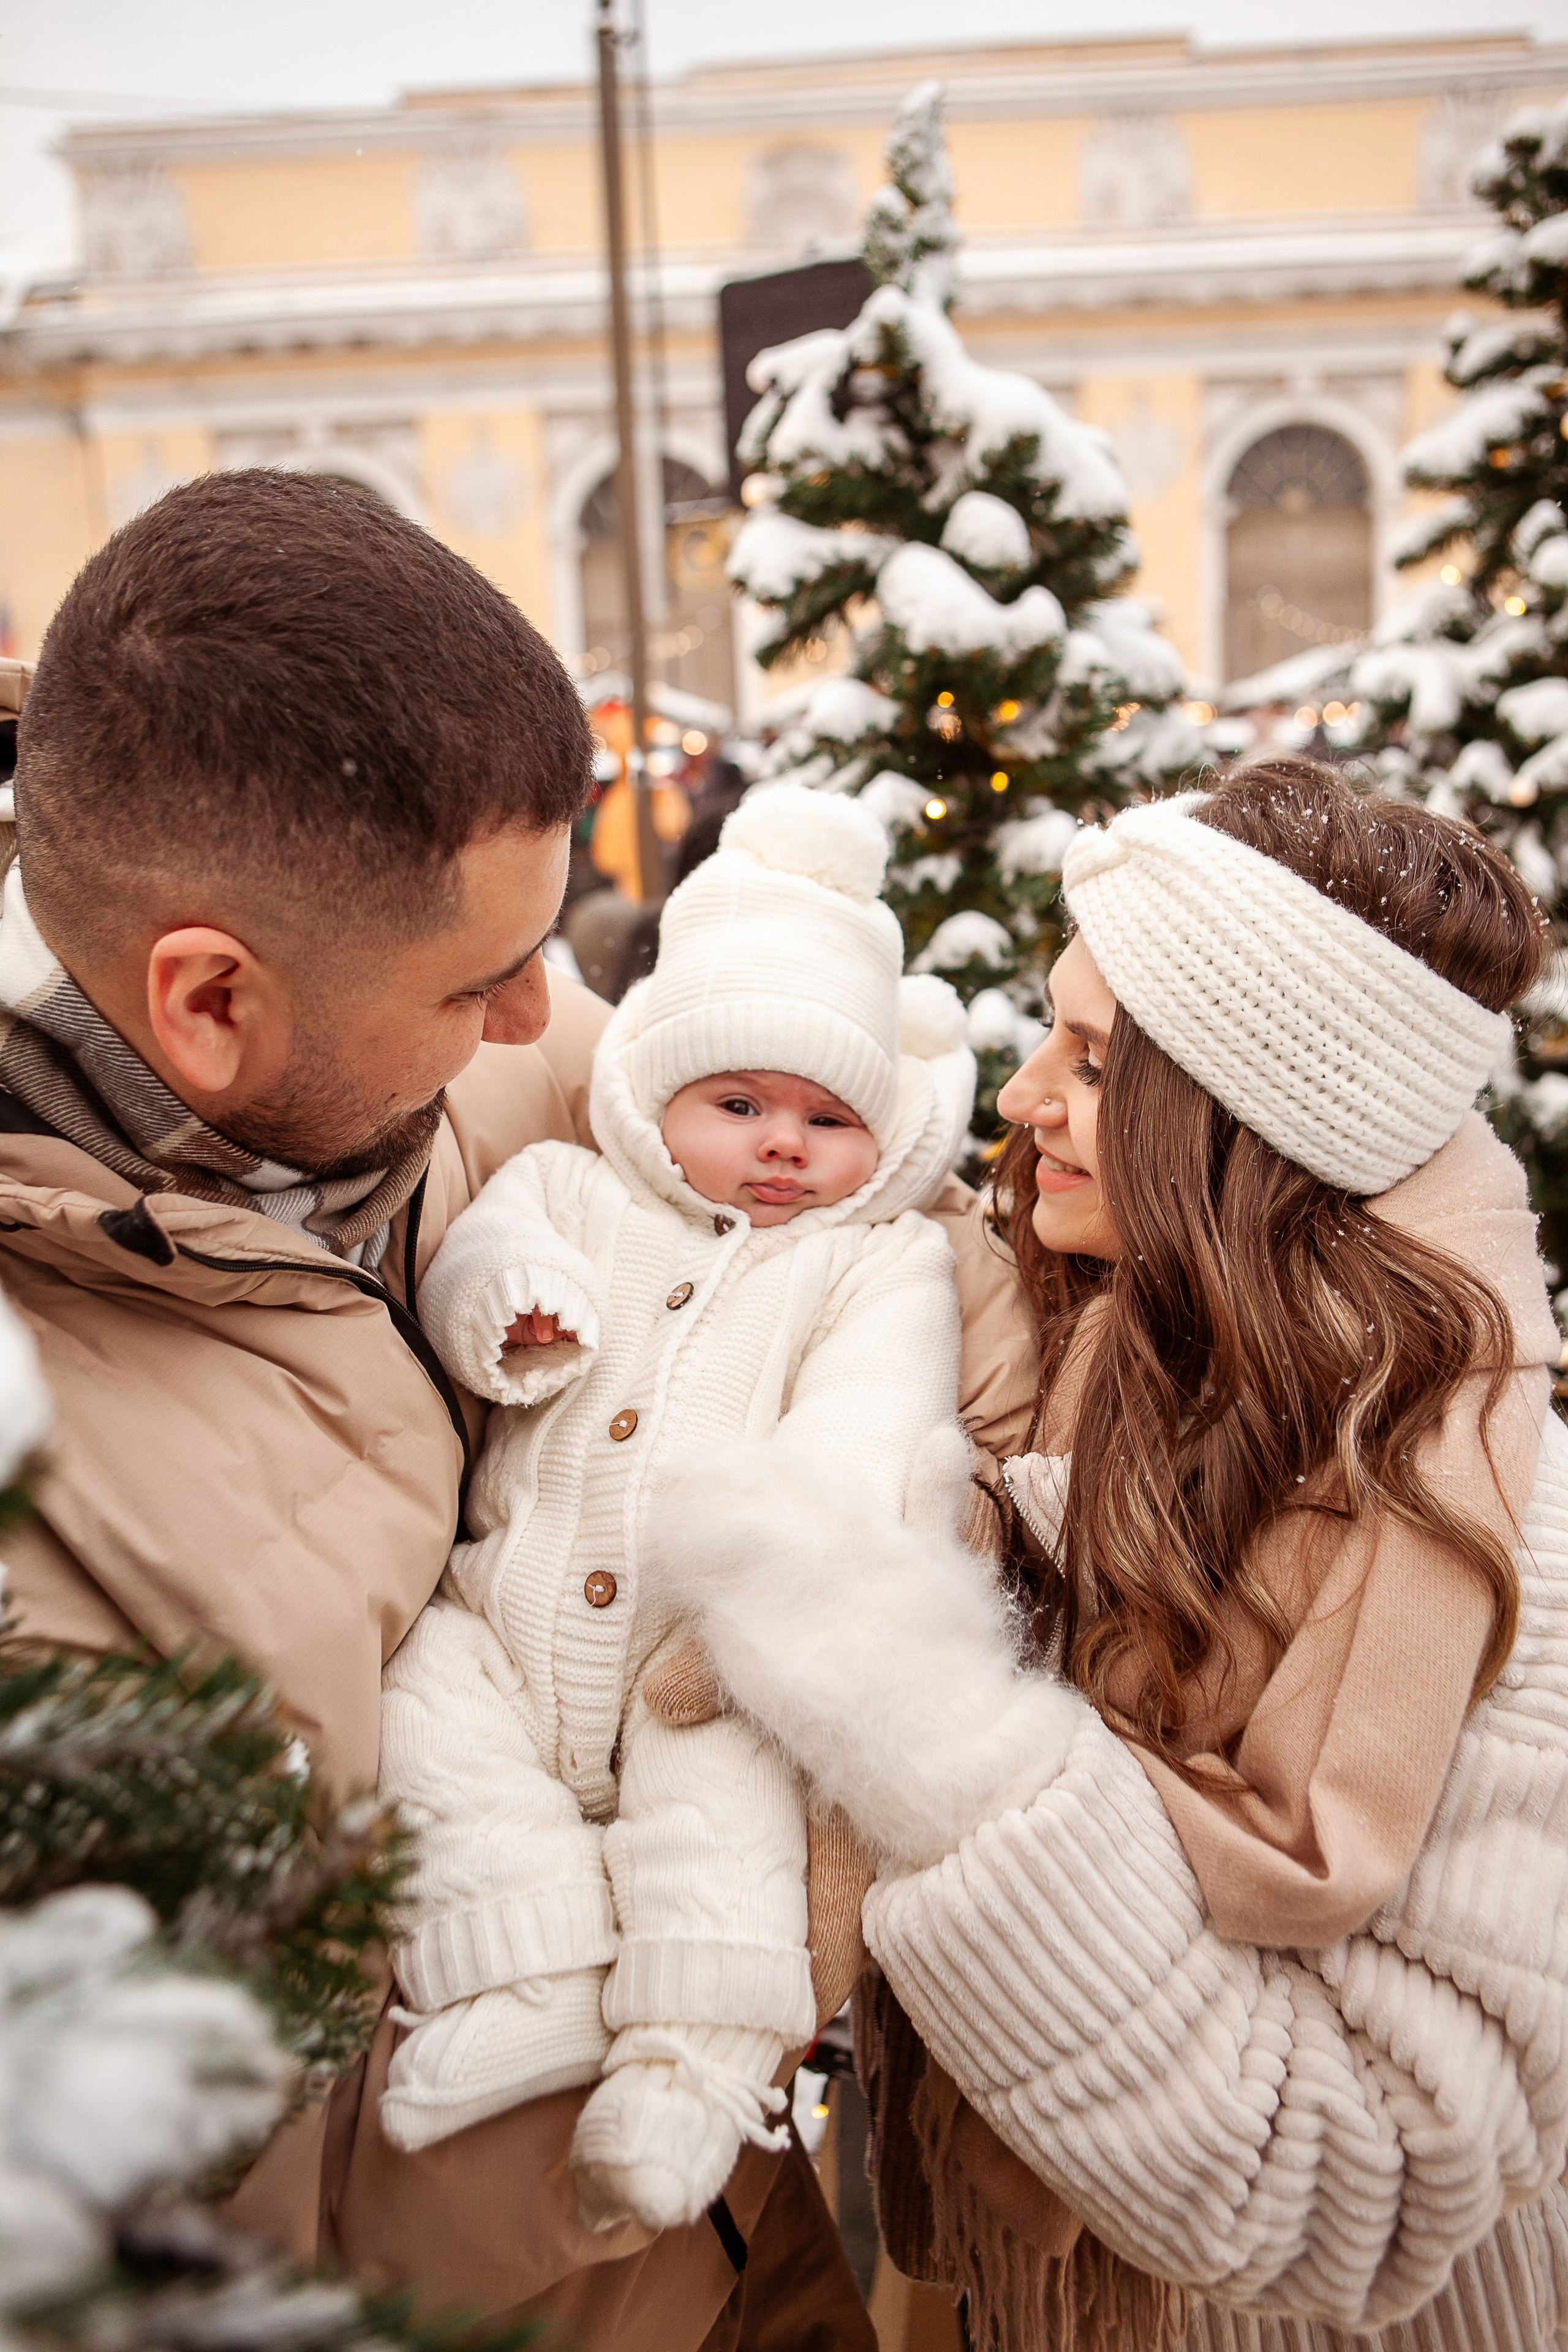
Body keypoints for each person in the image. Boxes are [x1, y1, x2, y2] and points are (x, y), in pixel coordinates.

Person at [0, 470, 1034, 2351]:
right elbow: (147, 2223)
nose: (552, 1017)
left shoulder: (498, 1067)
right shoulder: (35, 1486)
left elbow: (843, 1215)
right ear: (210, 1000)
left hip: (743, 2221)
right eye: (489, 978)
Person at [672, 761, 1568, 2350]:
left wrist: (932, 1735)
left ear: (1243, 1124)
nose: (1022, 1095)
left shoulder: (1490, 1523)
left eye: (1088, 1063)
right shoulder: (1088, 1344)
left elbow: (1359, 2190)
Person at [376, 785, 1068, 2235]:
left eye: (824, 1120)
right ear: (654, 1095)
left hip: (699, 1655)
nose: (777, 1146)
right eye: (737, 1105)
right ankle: (525, 1982)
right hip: (501, 1609)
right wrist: (501, 1307)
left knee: (727, 1834)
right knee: (424, 1724)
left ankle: (690, 2075)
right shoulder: (568, 1183)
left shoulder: (872, 1264)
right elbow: (473, 1267)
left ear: (874, 1141)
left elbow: (877, 1418)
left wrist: (793, 1546)